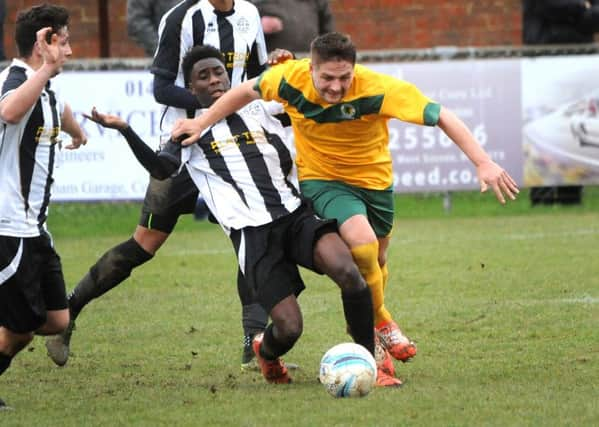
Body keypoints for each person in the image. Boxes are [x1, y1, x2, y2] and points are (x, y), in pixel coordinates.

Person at [171, 32, 520, 382]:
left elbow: (441, 115)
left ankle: (377, 316)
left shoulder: (378, 88)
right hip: (323, 180)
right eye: (327, 78)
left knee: (377, 262)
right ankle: (378, 334)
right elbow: (243, 91)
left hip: (375, 183)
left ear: (354, 70)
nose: (336, 87)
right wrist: (201, 123)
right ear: (311, 69)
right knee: (362, 244)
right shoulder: (289, 78)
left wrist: (483, 162)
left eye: (344, 78)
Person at [82, 44, 377, 385]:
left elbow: (306, 96)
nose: (213, 80)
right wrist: (124, 129)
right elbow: (163, 170)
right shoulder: (186, 131)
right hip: (253, 236)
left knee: (349, 272)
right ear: (191, 88)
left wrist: (292, 64)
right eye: (202, 77)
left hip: (295, 216)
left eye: (218, 72)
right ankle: (265, 354)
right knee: (289, 328)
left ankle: (369, 362)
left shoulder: (261, 106)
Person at [45, 0, 275, 372]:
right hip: (183, 149)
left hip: (234, 147)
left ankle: (255, 345)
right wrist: (212, 103)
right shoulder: (180, 17)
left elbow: (258, 76)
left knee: (250, 238)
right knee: (144, 244)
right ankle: (68, 312)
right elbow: (162, 88)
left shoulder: (249, 14)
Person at [0, 4, 87, 409]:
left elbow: (55, 107)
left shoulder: (44, 86)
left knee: (57, 319)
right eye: (64, 42)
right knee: (18, 331)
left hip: (36, 228)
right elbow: (9, 110)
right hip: (8, 227)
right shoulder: (13, 82)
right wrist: (47, 70)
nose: (69, 51)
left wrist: (77, 130)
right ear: (45, 43)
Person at [522, 0, 599, 205]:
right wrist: (580, 9)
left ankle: (571, 196)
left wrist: (578, 13)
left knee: (573, 127)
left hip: (580, 65)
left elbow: (595, 17)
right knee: (541, 126)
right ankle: (541, 196)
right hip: (543, 62)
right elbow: (543, 7)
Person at [249, 0, 334, 53]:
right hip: (274, 62)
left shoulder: (318, 2)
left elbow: (327, 32)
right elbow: (241, 18)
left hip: (307, 60)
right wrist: (258, 26)